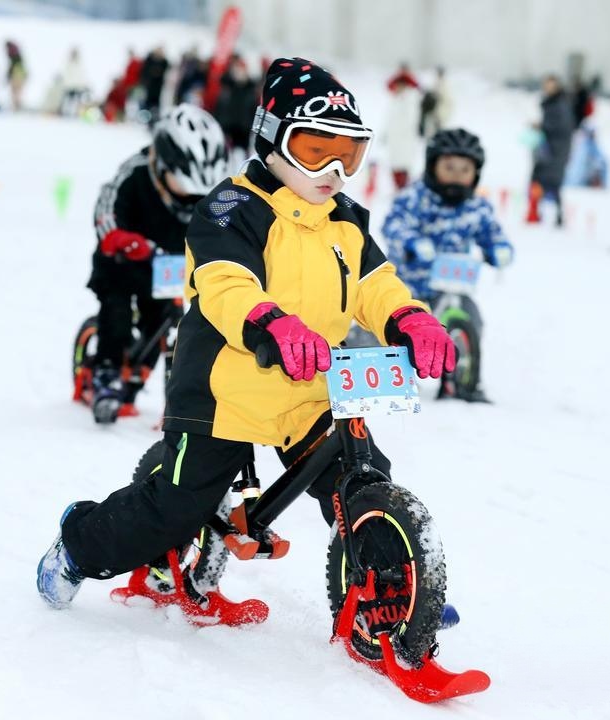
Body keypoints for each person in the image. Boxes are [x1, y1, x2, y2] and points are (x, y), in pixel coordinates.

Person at [39, 58, 455, 612]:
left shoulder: (346, 219)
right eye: (315, 150)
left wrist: (411, 320)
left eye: (348, 153)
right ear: (272, 140)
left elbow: (377, 286)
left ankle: (395, 593)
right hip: (225, 387)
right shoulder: (233, 208)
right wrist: (271, 322)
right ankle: (79, 543)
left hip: (309, 387)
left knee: (360, 476)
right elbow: (225, 283)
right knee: (176, 508)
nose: (333, 168)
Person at [80, 103, 229, 424]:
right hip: (125, 259)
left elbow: (231, 223)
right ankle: (105, 372)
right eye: (185, 192)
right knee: (116, 314)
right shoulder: (135, 173)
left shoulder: (213, 193)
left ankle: (171, 393)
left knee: (163, 320)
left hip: (171, 265)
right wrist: (119, 238)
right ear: (162, 165)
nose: (190, 201)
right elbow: (105, 208)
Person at [383, 128, 512, 402]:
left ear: (475, 174)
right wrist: (412, 242)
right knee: (391, 326)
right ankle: (387, 379)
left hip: (453, 283)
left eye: (464, 169)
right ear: (432, 166)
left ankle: (467, 380)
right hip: (410, 283)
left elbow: (491, 232)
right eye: (449, 167)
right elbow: (393, 224)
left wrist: (499, 249)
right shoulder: (416, 198)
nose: (456, 174)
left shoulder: (476, 207)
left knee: (472, 317)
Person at [528, 74, 575, 227]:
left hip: (556, 150)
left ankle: (557, 215)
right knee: (539, 180)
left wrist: (542, 126)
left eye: (551, 84)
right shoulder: (551, 103)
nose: (547, 87)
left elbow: (562, 127)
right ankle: (535, 212)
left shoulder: (560, 104)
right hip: (548, 148)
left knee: (553, 182)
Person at [214, 54, 258, 165]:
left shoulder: (251, 89)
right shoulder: (227, 86)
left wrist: (253, 125)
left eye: (241, 70)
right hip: (228, 126)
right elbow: (220, 106)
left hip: (244, 128)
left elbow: (253, 108)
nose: (239, 73)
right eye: (237, 70)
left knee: (242, 157)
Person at [385, 63, 421, 190]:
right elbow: (390, 118)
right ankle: (397, 186)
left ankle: (403, 187)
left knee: (403, 163)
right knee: (395, 163)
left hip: (405, 137)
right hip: (395, 137)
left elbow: (411, 119)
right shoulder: (396, 98)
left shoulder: (411, 97)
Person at [5, 40, 26, 111]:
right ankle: (17, 106)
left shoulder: (12, 52)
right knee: (17, 91)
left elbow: (12, 65)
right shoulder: (16, 53)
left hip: (16, 74)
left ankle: (17, 106)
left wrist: (9, 75)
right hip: (20, 73)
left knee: (15, 91)